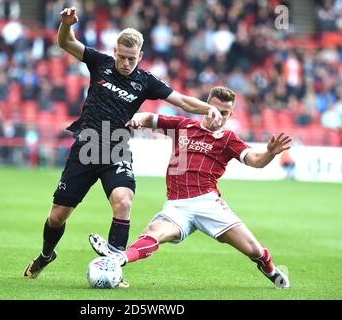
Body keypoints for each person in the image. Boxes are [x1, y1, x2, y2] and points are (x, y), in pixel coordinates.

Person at [23, 6, 222, 285]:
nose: (126, 63)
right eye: (122, 57)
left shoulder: (145, 81)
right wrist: (67, 24)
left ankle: (114, 266)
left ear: (140, 57)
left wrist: (207, 108)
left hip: (116, 147)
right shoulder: (99, 62)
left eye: (132, 59)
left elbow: (181, 100)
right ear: (115, 51)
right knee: (57, 216)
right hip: (87, 145)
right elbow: (65, 42)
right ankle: (46, 255)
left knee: (123, 201)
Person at [89, 86, 292, 289]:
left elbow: (255, 161)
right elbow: (149, 118)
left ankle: (272, 271)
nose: (217, 116)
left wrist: (270, 153)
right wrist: (138, 119)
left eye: (224, 113)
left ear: (230, 115)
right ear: (205, 107)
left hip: (208, 204)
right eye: (214, 109)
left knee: (255, 251)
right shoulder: (183, 126)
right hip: (177, 206)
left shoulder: (228, 139)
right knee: (154, 232)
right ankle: (118, 259)